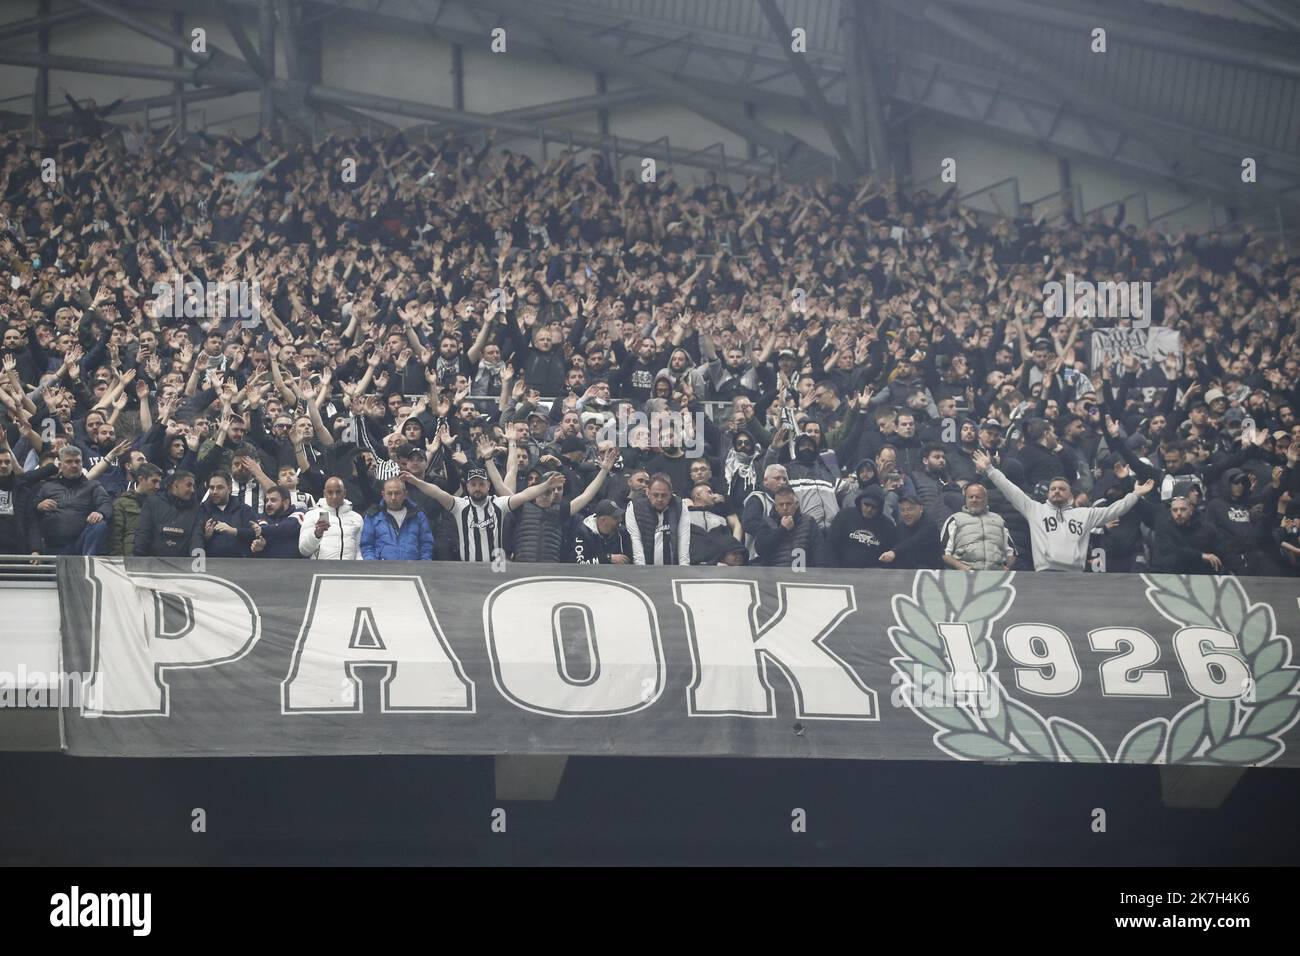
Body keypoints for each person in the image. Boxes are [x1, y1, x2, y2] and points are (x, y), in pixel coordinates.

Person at [974, 449, 1153, 571]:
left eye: (1062, 489)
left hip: (1075, 575)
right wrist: (990, 469)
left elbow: (1114, 510)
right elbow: (1010, 490)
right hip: (1045, 573)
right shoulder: (1035, 509)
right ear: (1048, 494)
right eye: (1053, 489)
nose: (1057, 491)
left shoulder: (1084, 514)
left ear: (1070, 495)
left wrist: (1135, 494)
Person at [399, 435, 569, 562]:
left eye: (481, 484)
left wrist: (545, 486)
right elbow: (436, 492)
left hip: (496, 567)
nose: (477, 488)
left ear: (488, 486)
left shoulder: (499, 504)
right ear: (467, 487)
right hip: (468, 567)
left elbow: (525, 495)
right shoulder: (460, 505)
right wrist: (416, 481)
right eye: (473, 484)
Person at [512, 447, 617, 563]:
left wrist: (604, 471)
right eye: (546, 487)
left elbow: (587, 495)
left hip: (550, 570)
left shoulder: (560, 511)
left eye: (552, 489)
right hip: (522, 568)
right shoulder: (521, 507)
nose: (549, 491)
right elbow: (508, 481)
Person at [31, 446, 114, 555]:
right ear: (60, 465)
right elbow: (31, 511)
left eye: (77, 461)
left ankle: (87, 563)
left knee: (99, 524)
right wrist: (39, 505)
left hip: (82, 544)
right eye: (69, 462)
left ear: (82, 464)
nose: (74, 465)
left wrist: (100, 512)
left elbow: (106, 504)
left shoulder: (93, 486)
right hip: (53, 546)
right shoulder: (47, 486)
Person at [940, 480, 1016, 571]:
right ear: (965, 499)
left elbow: (1011, 552)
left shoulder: (999, 520)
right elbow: (943, 552)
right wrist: (960, 566)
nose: (974, 500)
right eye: (970, 497)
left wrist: (1007, 567)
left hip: (995, 576)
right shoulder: (954, 520)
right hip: (965, 576)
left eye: (978, 497)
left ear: (986, 499)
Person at [132, 470, 205, 558]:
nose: (192, 490)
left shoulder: (196, 509)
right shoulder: (153, 503)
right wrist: (137, 559)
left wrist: (197, 559)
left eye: (193, 486)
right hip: (153, 565)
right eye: (188, 485)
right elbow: (143, 533)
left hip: (183, 567)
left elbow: (196, 537)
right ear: (175, 485)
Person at [361, 477, 435, 560]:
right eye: (389, 493)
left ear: (405, 494)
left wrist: (423, 564)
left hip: (413, 568)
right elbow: (367, 546)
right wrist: (373, 566)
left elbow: (426, 544)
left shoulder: (418, 515)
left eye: (397, 493)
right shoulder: (373, 516)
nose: (393, 497)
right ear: (383, 495)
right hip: (382, 569)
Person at [626, 473, 692, 566]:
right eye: (655, 495)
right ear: (648, 493)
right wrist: (641, 570)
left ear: (671, 494)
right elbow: (636, 540)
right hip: (646, 568)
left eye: (664, 495)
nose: (660, 499)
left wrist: (684, 568)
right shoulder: (634, 507)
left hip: (673, 568)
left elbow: (683, 539)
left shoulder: (680, 506)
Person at [754, 484, 825, 567]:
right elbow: (760, 549)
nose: (785, 508)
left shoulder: (808, 522)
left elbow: (819, 552)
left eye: (788, 504)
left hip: (802, 574)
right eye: (781, 504)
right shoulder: (767, 522)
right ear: (776, 507)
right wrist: (782, 530)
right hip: (775, 574)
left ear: (796, 504)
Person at [826, 485, 896, 568]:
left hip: (873, 574)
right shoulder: (844, 516)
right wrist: (834, 570)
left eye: (874, 507)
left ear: (879, 508)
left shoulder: (887, 525)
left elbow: (890, 554)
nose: (869, 509)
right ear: (860, 502)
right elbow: (830, 544)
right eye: (866, 504)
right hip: (843, 570)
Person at [1150, 496, 1223, 574]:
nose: (1178, 513)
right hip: (1170, 576)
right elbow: (1175, 551)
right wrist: (1200, 556)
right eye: (1175, 510)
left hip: (1200, 576)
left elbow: (1222, 552)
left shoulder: (1206, 529)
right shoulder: (1164, 529)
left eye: (1183, 509)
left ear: (1191, 510)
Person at [299, 476, 365, 560]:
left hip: (349, 570)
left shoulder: (356, 518)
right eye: (330, 492)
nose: (334, 496)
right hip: (321, 569)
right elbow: (304, 550)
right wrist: (316, 534)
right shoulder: (312, 515)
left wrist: (360, 569)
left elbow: (359, 550)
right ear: (324, 493)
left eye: (338, 492)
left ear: (344, 493)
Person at [108, 462, 162, 556]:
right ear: (141, 479)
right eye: (154, 481)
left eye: (159, 482)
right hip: (130, 557)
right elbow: (116, 537)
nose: (157, 486)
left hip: (155, 558)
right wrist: (118, 562)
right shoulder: (122, 503)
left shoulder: (160, 504)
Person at [200, 472, 258, 558]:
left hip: (240, 563)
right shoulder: (202, 510)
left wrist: (234, 531)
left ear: (229, 488)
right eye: (212, 488)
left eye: (220, 487)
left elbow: (254, 534)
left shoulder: (244, 509)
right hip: (211, 564)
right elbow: (195, 538)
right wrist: (206, 537)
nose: (215, 491)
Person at [881, 494, 944, 569]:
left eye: (910, 509)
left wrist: (894, 552)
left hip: (928, 571)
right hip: (905, 571)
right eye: (902, 510)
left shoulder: (930, 526)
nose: (906, 514)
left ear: (921, 509)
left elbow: (914, 542)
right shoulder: (901, 526)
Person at [569, 499, 634, 564]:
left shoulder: (622, 532)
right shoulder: (583, 533)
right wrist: (608, 558)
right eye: (615, 518)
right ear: (603, 520)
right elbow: (578, 565)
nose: (620, 519)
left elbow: (628, 561)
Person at [251, 486, 305, 558]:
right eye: (267, 500)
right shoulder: (261, 517)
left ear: (286, 502)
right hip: (267, 565)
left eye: (273, 500)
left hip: (295, 565)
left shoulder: (299, 513)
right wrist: (261, 544)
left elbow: (288, 527)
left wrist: (263, 530)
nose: (268, 504)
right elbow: (262, 534)